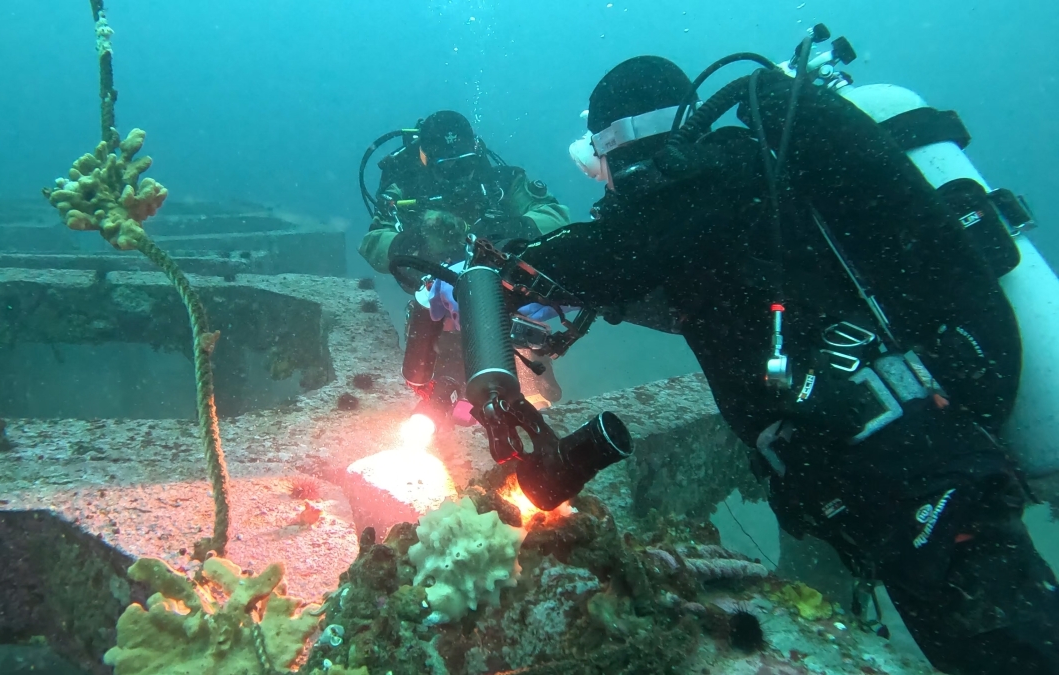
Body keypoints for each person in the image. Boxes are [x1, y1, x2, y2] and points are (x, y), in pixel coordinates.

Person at [437, 53, 1059, 674]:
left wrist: (504, 262)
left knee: (1009, 648)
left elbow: (608, 253)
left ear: (623, 141)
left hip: (916, 470)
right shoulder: (730, 194)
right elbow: (647, 279)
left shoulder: (715, 178)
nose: (604, 183)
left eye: (597, 161)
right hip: (887, 467)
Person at [359, 110, 571, 406]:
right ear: (425, 159)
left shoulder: (501, 180)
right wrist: (414, 241)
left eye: (466, 164)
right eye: (447, 167)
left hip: (503, 291)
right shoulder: (403, 188)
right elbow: (373, 242)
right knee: (440, 379)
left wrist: (508, 230)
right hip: (439, 297)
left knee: (534, 387)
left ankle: (532, 387)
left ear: (476, 151)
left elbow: (556, 216)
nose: (459, 176)